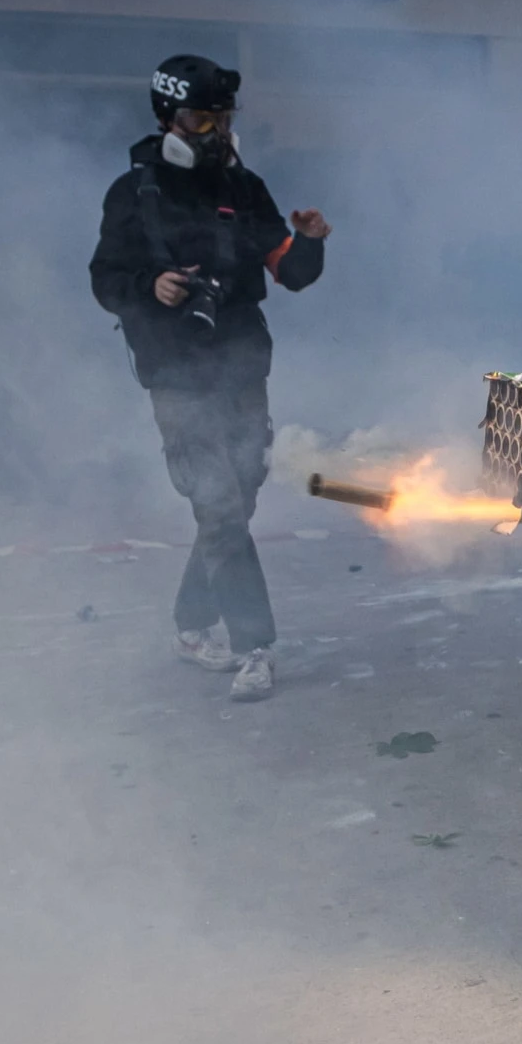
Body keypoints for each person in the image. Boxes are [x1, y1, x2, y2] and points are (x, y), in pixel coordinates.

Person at [88, 55, 329, 703]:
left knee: (237, 503)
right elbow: (104, 279)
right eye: (199, 118)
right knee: (219, 506)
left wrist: (308, 242)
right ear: (167, 119)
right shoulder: (133, 194)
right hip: (176, 375)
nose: (213, 133)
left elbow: (291, 271)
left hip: (243, 368)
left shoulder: (242, 187)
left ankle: (191, 624)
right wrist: (151, 285)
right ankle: (257, 646)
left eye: (221, 119)